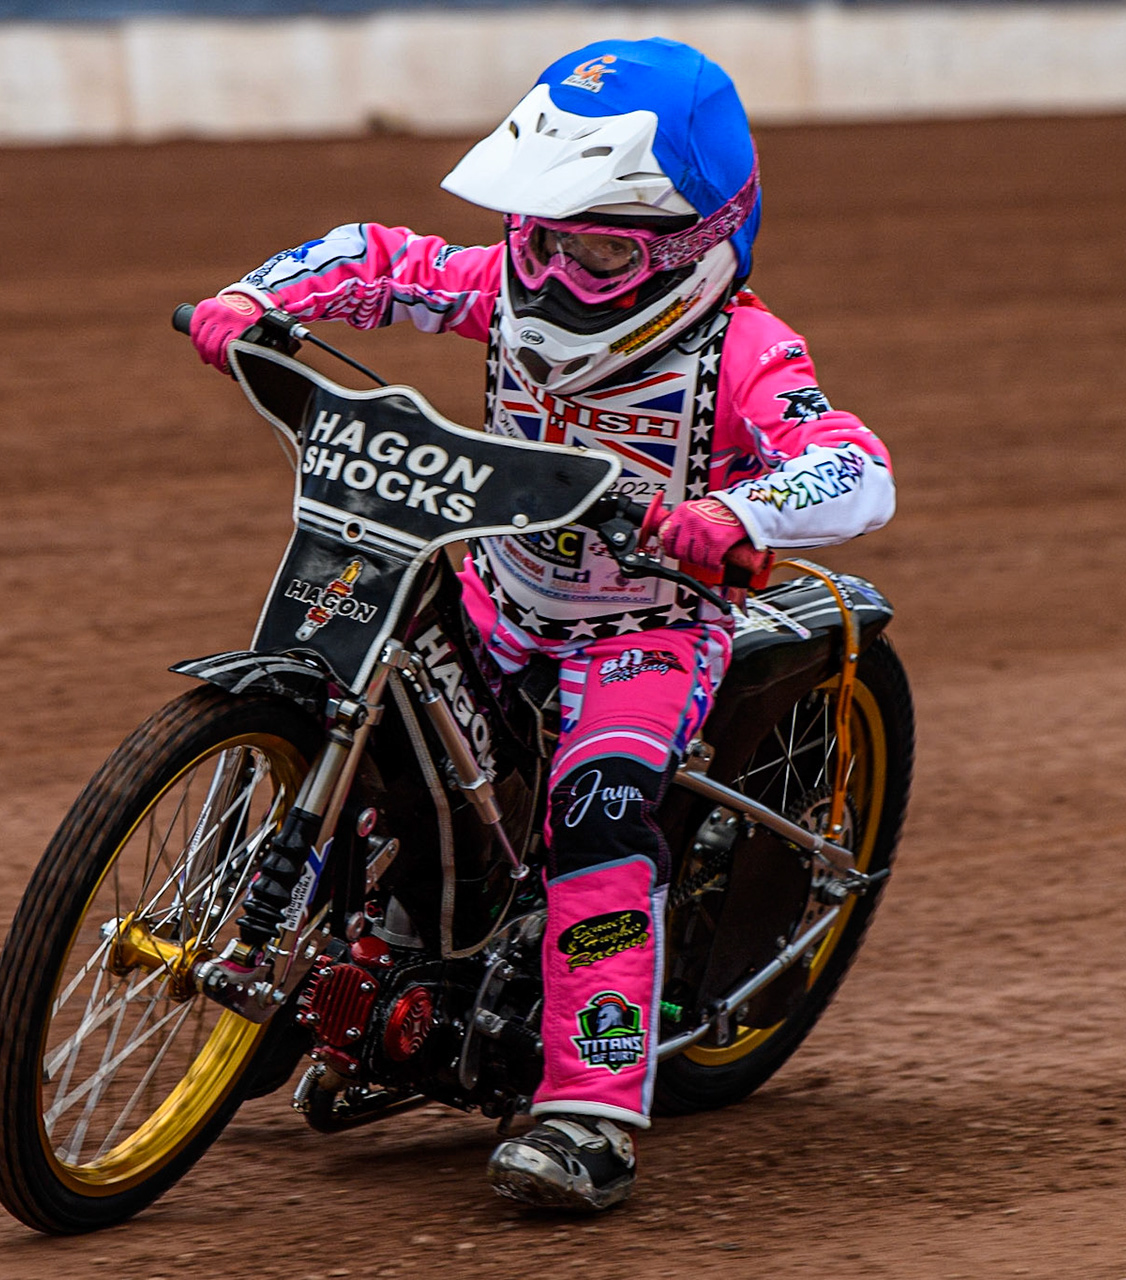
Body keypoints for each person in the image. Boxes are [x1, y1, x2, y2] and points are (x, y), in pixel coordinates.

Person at [186, 37, 895, 1212]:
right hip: (496, 592)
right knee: (361, 690)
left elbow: (853, 465)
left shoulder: (744, 350)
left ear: (693, 242)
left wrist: (735, 507)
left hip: (648, 628)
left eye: (601, 243)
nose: (561, 265)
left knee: (598, 818)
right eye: (548, 229)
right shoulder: (508, 281)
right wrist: (261, 298)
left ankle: (590, 1110)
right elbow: (386, 259)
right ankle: (325, 944)